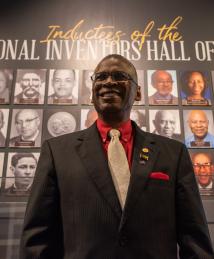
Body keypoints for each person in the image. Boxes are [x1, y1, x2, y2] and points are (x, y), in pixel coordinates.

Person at [20, 54, 214, 259]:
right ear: (91, 93)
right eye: (101, 77)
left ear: (138, 93)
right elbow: (37, 239)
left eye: (120, 75)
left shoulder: (173, 153)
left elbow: (194, 239)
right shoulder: (57, 152)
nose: (109, 82)